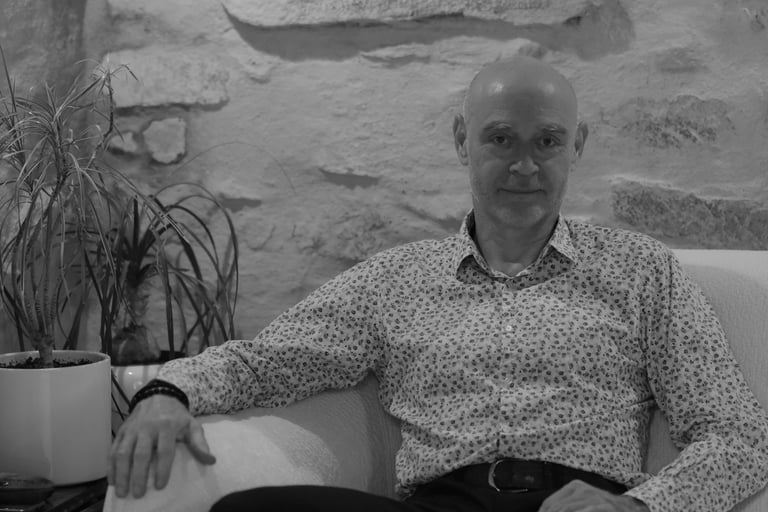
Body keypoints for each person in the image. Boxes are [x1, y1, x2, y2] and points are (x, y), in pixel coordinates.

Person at [109, 56, 768, 512]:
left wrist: (640, 506)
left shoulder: (641, 270)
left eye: (547, 142)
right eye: (501, 139)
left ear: (577, 145)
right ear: (461, 140)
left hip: (578, 505)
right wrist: (168, 391)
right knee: (252, 511)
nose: (524, 165)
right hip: (441, 505)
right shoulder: (394, 280)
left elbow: (739, 437)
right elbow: (267, 363)